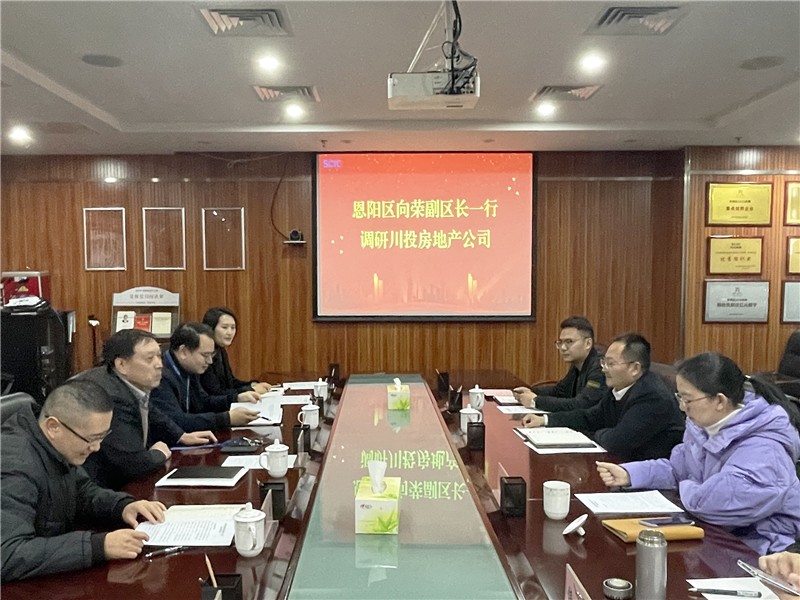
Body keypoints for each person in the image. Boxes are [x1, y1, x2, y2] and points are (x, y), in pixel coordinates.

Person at [597, 352, 800, 555]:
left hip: (760, 549)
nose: (682, 407)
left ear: (719, 400)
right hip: (713, 534)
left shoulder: (766, 447)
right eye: (680, 397)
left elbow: (713, 504)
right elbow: (678, 469)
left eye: (688, 400)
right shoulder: (705, 425)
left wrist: (686, 485)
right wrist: (631, 474)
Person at [1, 380, 166, 581]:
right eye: (91, 438)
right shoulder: (14, 464)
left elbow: (81, 490)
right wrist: (98, 546)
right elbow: (7, 554)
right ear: (53, 427)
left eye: (103, 436)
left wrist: (121, 506)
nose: (96, 447)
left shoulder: (53, 443)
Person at [78, 329, 217, 490]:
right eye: (150, 359)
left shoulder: (123, 382)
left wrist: (181, 436)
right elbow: (133, 464)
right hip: (96, 489)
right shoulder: (111, 398)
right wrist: (159, 454)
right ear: (121, 364)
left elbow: (151, 410)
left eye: (159, 356)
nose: (159, 365)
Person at [522, 333, 684, 460]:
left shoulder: (652, 398)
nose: (604, 369)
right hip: (621, 464)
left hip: (650, 476)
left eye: (610, 363)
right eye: (603, 362)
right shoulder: (619, 386)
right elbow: (591, 417)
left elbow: (616, 442)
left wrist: (596, 432)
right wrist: (545, 420)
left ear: (635, 368)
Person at [150, 322, 260, 432]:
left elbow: (203, 403)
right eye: (205, 355)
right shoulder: (159, 377)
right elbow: (177, 421)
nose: (210, 361)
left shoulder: (189, 368)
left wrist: (236, 398)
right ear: (183, 352)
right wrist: (226, 418)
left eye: (211, 355)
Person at [513, 316, 606, 411]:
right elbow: (559, 391)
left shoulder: (600, 368)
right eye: (560, 342)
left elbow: (582, 404)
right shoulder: (577, 363)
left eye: (569, 342)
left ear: (588, 343)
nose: (563, 348)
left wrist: (536, 401)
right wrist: (530, 391)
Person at [200, 306, 272, 396]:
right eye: (224, 327)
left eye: (233, 327)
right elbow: (216, 393)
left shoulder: (221, 351)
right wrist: (250, 389)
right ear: (211, 328)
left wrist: (252, 384)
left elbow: (231, 383)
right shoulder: (204, 356)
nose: (229, 332)